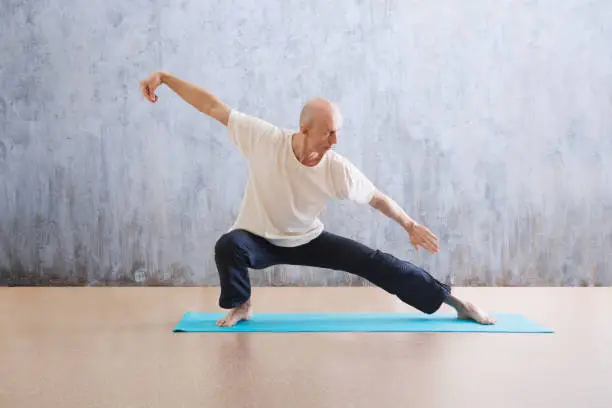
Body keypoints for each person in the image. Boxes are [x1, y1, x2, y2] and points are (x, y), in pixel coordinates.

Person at [138, 71, 496, 327]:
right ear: (305, 129)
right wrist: (165, 78)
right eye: (329, 133)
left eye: (338, 132)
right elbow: (213, 107)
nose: (335, 141)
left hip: (308, 238)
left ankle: (454, 302)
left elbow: (375, 197)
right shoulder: (265, 139)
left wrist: (409, 224)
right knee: (228, 245)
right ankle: (241, 305)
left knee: (376, 261)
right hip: (258, 239)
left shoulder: (335, 167)